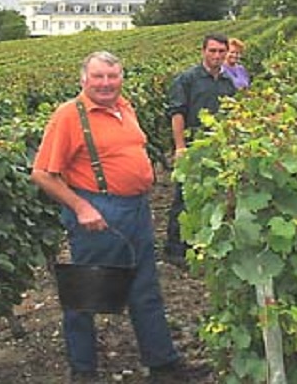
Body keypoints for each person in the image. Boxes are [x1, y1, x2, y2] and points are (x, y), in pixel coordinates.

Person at [31, 51, 185, 382]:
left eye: (112, 77)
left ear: (121, 79)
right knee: (87, 295)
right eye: (98, 77)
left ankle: (163, 365)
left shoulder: (124, 107)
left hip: (136, 210)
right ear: (83, 79)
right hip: (100, 212)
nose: (105, 83)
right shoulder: (69, 116)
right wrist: (82, 208)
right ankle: (83, 371)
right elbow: (42, 173)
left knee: (146, 289)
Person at [166, 34, 236, 262]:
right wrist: (180, 147)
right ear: (203, 51)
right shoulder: (187, 79)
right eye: (212, 51)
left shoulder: (228, 82)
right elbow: (177, 114)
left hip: (218, 146)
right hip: (193, 146)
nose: (217, 56)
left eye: (221, 52)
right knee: (184, 197)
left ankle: (203, 246)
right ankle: (175, 250)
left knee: (212, 196)